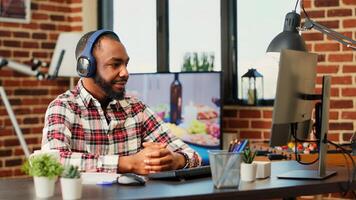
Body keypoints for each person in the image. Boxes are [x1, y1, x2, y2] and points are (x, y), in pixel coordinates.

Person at [41, 29, 201, 174]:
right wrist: (128, 163)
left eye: (126, 64)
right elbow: (52, 161)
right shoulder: (63, 107)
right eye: (115, 64)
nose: (125, 72)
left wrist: (174, 160)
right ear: (86, 67)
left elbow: (191, 155)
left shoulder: (136, 108)